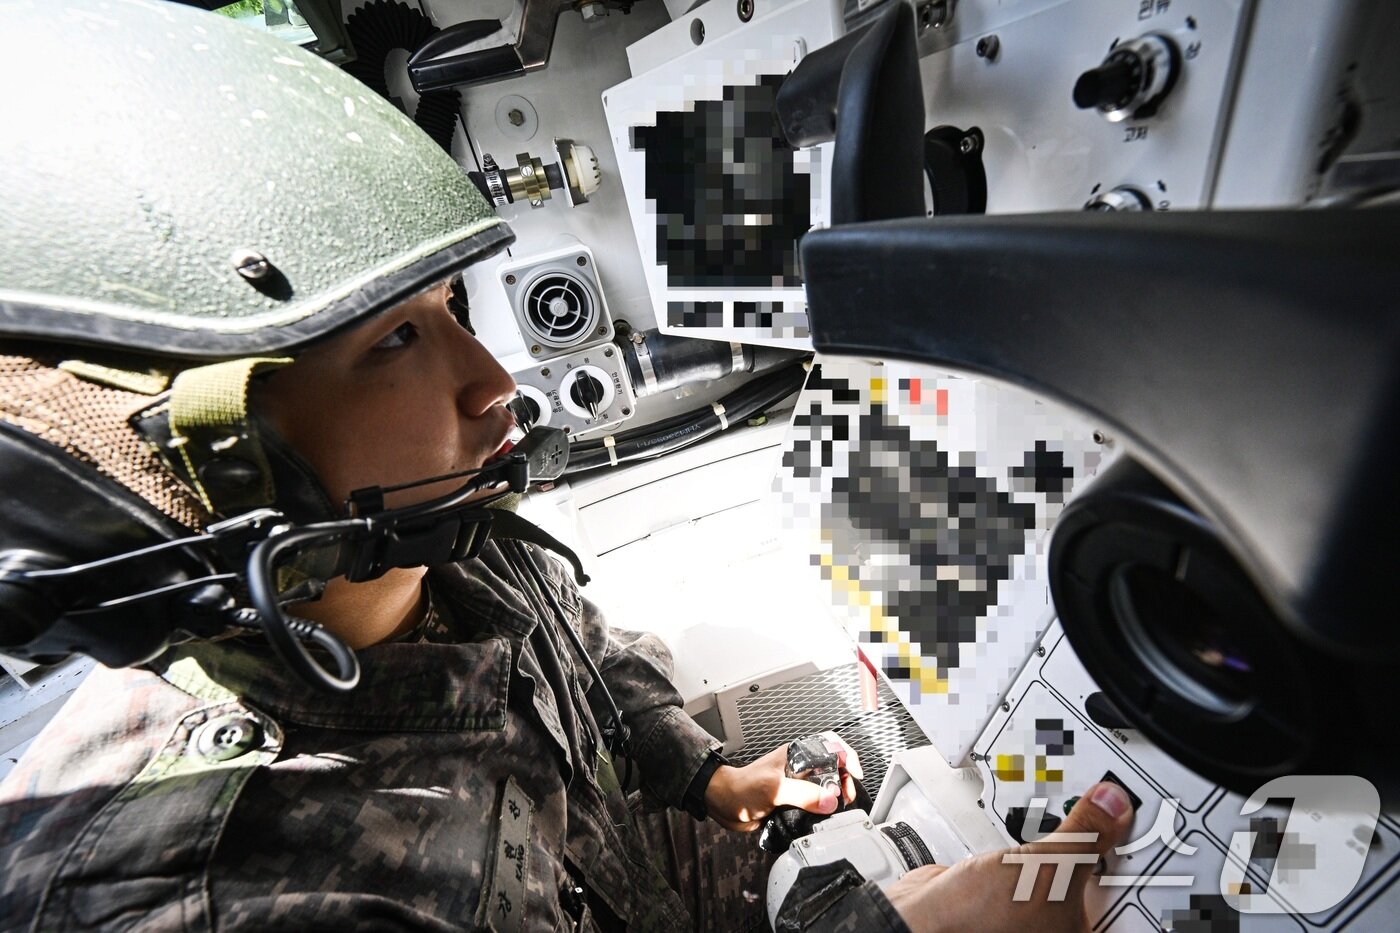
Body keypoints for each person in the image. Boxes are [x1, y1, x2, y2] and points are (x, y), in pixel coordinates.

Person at [0, 2, 1136, 931]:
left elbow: (583, 660)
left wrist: (709, 778)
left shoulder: (452, 554)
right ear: (207, 458)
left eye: (450, 308)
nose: (494, 380)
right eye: (392, 340)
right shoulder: (200, 893)